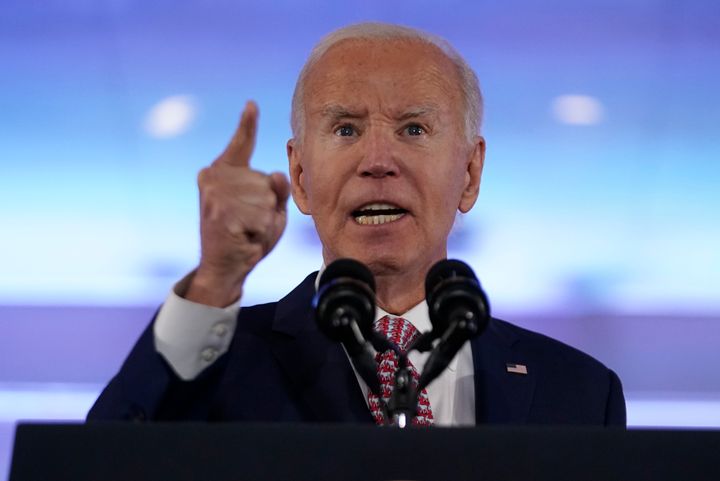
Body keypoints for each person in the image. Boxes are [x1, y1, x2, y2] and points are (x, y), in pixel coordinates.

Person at [87, 22, 626, 426]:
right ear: (300, 175)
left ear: (469, 172)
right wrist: (214, 282)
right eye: (345, 129)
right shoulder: (218, 365)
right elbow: (100, 468)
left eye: (414, 129)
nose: (377, 160)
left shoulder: (579, 393)